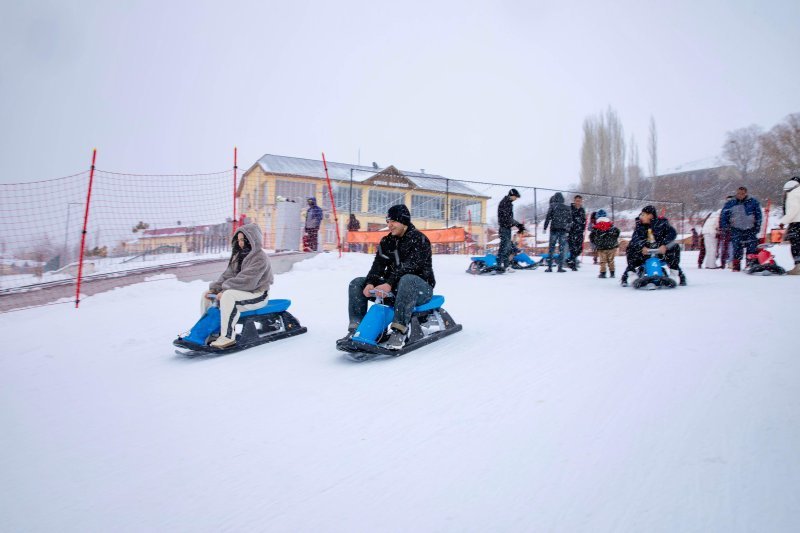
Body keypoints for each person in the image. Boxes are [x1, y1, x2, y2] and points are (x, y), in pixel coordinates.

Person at [340, 204, 435, 350]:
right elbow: (378, 265)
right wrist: (370, 282)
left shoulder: (419, 240)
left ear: (404, 221)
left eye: (393, 221)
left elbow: (410, 267)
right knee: (357, 283)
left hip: (420, 289)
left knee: (407, 279)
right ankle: (357, 329)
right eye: (388, 221)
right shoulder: (387, 241)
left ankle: (399, 330)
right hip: (396, 288)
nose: (389, 225)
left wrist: (389, 283)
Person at [202, 223, 273, 348]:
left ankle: (227, 337)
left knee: (228, 296)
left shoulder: (260, 258)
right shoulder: (238, 256)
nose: (240, 243)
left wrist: (224, 291)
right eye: (239, 240)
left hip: (257, 294)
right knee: (206, 295)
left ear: (252, 240)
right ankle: (210, 332)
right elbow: (227, 275)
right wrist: (214, 289)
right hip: (242, 292)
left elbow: (247, 281)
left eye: (243, 240)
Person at [620, 205, 687, 287]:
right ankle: (632, 274)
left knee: (675, 246)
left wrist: (664, 245)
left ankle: (674, 273)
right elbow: (635, 238)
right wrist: (642, 246)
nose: (641, 217)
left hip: (660, 253)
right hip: (645, 254)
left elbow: (672, 233)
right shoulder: (640, 226)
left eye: (643, 215)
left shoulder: (662, 224)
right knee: (631, 246)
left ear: (650, 215)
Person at [720, 187, 762, 271]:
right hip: (736, 229)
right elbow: (724, 215)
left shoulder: (753, 202)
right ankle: (736, 266)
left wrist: (757, 226)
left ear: (746, 193)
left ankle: (750, 265)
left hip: (751, 229)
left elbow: (758, 215)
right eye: (739, 193)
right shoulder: (730, 203)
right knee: (737, 248)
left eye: (742, 193)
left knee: (752, 248)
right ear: (736, 193)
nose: (740, 195)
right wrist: (725, 227)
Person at [542, 192, 572, 272]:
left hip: (554, 229)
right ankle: (560, 267)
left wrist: (545, 227)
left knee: (551, 249)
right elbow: (570, 221)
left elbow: (548, 217)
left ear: (554, 198)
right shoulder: (567, 208)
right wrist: (568, 230)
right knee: (561, 249)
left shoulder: (552, 206)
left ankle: (550, 267)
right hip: (563, 230)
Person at [497, 189, 525, 272]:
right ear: (512, 195)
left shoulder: (508, 203)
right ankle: (500, 265)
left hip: (506, 227)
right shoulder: (505, 203)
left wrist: (517, 225)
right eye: (516, 197)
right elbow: (507, 218)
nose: (516, 199)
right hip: (504, 228)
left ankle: (505, 266)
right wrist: (518, 225)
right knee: (505, 247)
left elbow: (509, 218)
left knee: (505, 247)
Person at [589, 209, 619, 278]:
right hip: (611, 246)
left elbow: (591, 236)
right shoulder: (610, 225)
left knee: (602, 261)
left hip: (601, 247)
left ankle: (603, 273)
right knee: (611, 260)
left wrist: (595, 242)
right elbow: (617, 232)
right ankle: (612, 273)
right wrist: (614, 239)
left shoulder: (596, 226)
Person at [780, 177, 800, 275]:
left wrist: (783, 221)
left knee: (796, 245)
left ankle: (798, 266)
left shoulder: (793, 194)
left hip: (797, 223)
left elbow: (793, 210)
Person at [566, 195, 586, 270]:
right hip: (572, 231)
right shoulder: (570, 209)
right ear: (574, 201)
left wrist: (583, 228)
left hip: (580, 232)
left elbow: (584, 220)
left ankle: (569, 260)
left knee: (579, 248)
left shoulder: (582, 210)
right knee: (573, 248)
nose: (578, 202)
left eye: (579, 201)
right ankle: (573, 264)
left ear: (581, 202)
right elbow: (567, 219)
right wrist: (569, 228)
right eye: (577, 201)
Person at [699, 205, 723, 269]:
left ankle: (708, 264)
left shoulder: (711, 216)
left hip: (705, 233)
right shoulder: (718, 217)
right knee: (713, 250)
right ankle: (712, 265)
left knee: (708, 250)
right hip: (712, 233)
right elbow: (717, 226)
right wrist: (719, 231)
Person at [718, 195, 734, 268]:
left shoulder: (725, 208)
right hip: (728, 229)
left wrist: (722, 228)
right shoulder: (730, 207)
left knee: (726, 247)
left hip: (726, 230)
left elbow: (721, 219)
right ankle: (729, 262)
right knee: (730, 246)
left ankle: (725, 262)